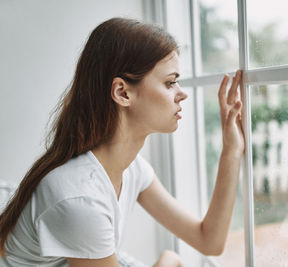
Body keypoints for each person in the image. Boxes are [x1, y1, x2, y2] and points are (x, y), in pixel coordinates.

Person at [0, 18, 244, 267]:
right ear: (122, 93)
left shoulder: (132, 169)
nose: (182, 93)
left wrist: (232, 150)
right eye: (170, 82)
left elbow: (209, 241)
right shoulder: (80, 198)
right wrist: (168, 260)